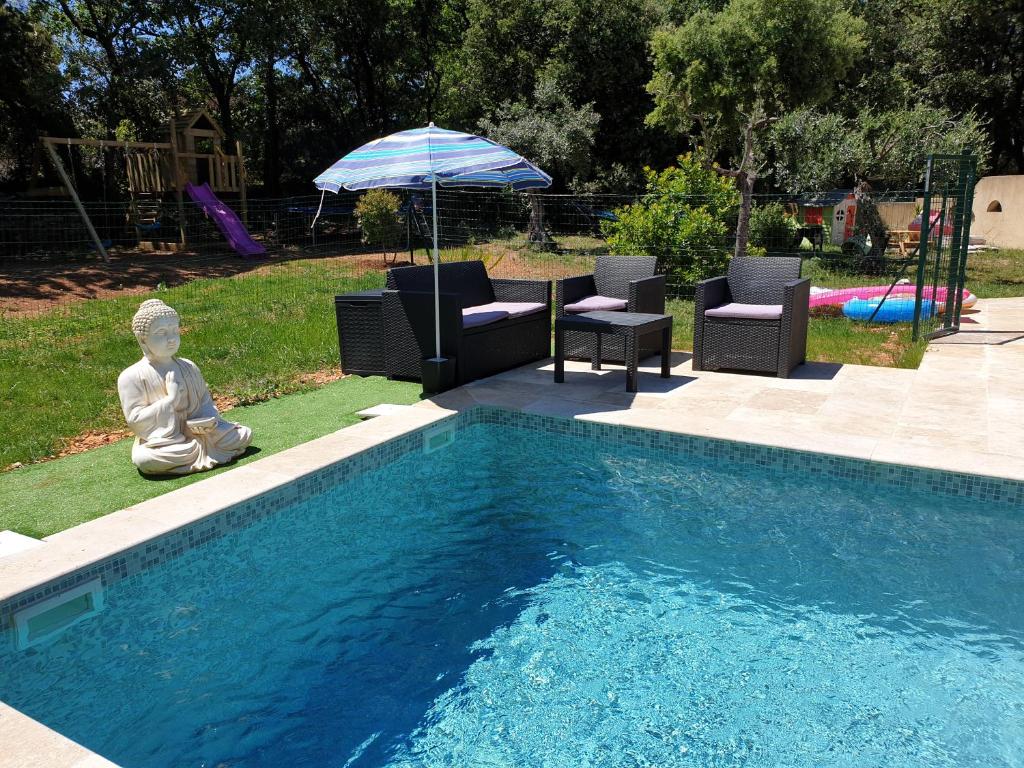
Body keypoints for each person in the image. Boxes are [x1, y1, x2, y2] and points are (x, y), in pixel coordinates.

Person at [117, 299, 252, 475]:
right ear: (142, 339)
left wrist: (207, 422)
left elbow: (206, 403)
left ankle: (200, 450)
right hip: (167, 441)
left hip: (202, 435)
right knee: (146, 459)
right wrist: (170, 400)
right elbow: (135, 420)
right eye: (161, 333)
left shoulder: (189, 367)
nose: (171, 338)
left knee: (244, 434)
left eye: (174, 331)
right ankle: (198, 453)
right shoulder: (131, 376)